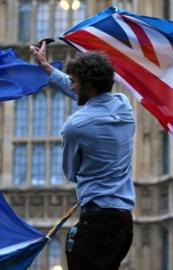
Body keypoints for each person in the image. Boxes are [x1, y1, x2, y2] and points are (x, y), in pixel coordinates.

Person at [31, 41, 136, 270]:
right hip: (123, 223)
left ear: (88, 86)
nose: (72, 86)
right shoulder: (124, 106)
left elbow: (70, 173)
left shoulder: (74, 126)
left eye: (75, 82)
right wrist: (47, 68)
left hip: (96, 222)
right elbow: (93, 101)